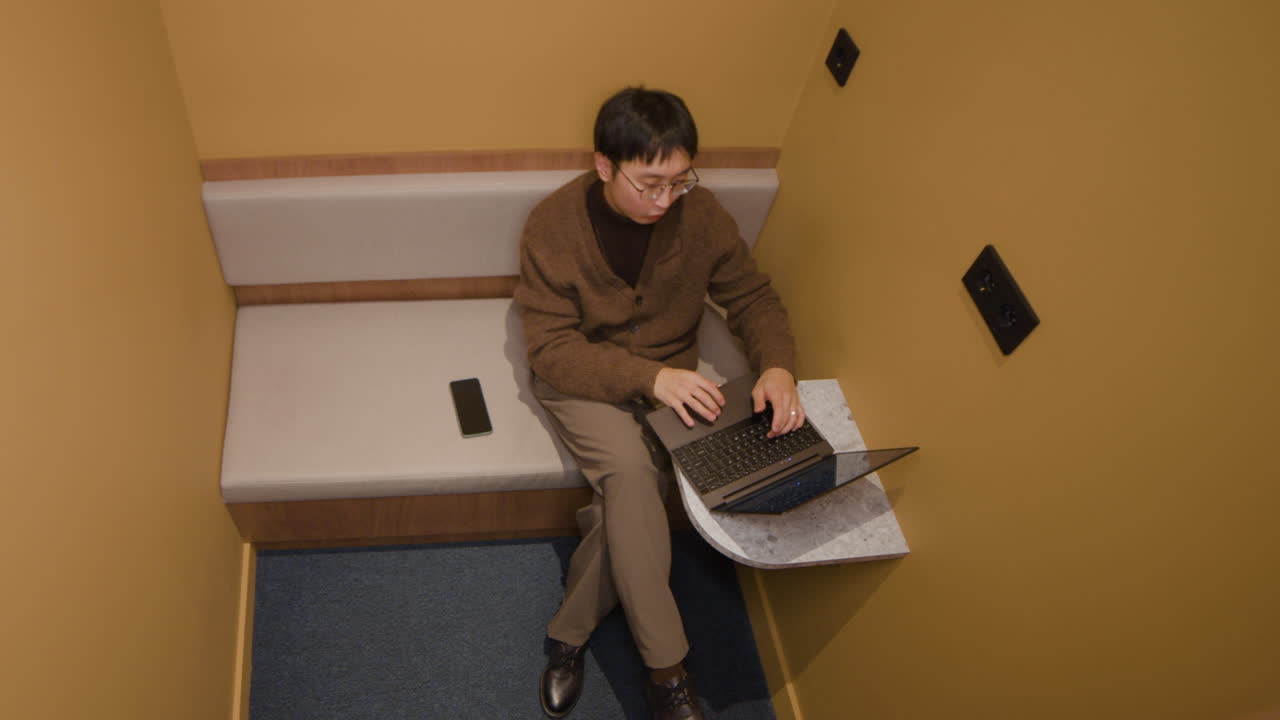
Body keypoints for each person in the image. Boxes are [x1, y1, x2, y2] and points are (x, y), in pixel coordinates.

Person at [514, 86, 805, 720]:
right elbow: (551, 350)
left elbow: (752, 297)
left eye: (679, 181)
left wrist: (778, 366)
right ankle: (668, 670)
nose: (666, 200)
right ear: (604, 165)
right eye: (649, 184)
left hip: (670, 376)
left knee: (624, 509)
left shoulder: (702, 216)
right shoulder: (552, 225)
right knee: (631, 473)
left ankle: (567, 636)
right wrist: (651, 379)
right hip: (585, 378)